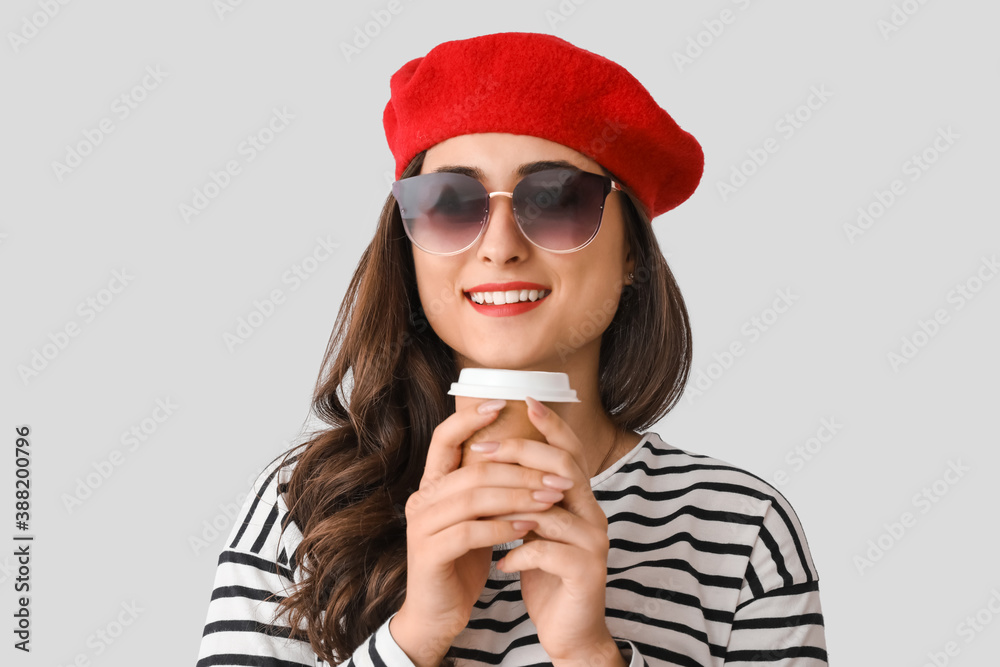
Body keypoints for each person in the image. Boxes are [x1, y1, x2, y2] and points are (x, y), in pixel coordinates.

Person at [195, 31, 828, 666]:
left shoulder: (741, 531)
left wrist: (589, 654)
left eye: (554, 200)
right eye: (448, 202)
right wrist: (414, 634)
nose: (500, 245)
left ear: (631, 250)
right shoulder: (305, 508)